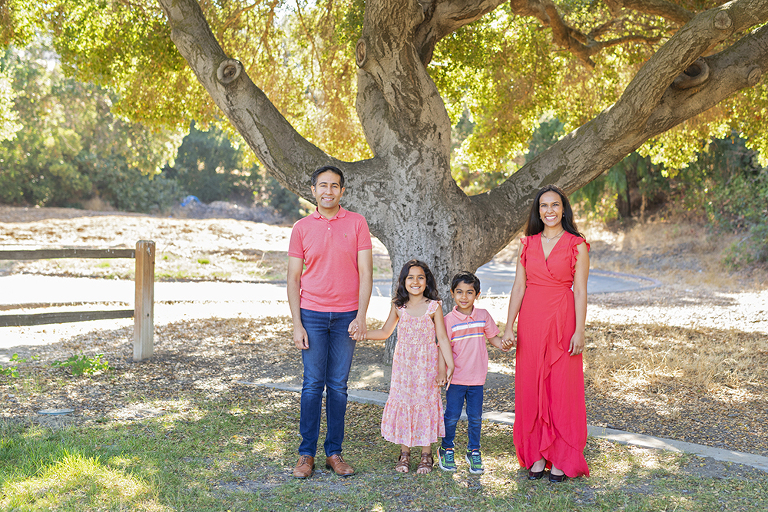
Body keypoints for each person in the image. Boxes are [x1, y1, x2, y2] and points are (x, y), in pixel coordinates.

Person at [287, 165, 373, 479]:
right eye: (322, 185)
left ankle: (333, 453)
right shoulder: (301, 227)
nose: (328, 191)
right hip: (311, 314)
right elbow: (293, 277)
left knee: (338, 387)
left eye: (334, 186)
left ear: (342, 191)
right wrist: (297, 323)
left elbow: (366, 272)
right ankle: (306, 455)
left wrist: (361, 316)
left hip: (346, 317)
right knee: (312, 386)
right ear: (313, 190)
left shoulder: (357, 223)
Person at [502, 184, 590, 482]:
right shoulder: (527, 244)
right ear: (537, 211)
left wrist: (579, 329)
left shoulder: (576, 243)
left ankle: (562, 458)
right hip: (532, 319)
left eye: (555, 205)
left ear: (564, 209)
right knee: (531, 386)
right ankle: (536, 455)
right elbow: (518, 286)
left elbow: (579, 290)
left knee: (561, 388)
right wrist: (508, 325)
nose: (549, 210)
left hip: (563, 318)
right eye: (544, 206)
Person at [365, 260, 455, 475]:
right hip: (404, 365)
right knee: (405, 401)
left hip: (427, 364)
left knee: (426, 402)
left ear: (427, 281)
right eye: (410, 277)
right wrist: (362, 334)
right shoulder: (399, 306)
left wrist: (448, 366)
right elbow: (385, 332)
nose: (415, 282)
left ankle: (426, 453)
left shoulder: (434, 306)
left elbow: (442, 337)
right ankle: (404, 453)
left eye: (420, 277)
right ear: (404, 281)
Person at [438, 271, 509, 475]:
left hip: (477, 379)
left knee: (475, 417)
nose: (464, 297)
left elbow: (494, 338)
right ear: (452, 293)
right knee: (451, 416)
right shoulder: (448, 320)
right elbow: (442, 347)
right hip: (456, 379)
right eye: (459, 292)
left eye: (469, 292)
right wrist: (442, 371)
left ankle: (474, 451)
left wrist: (505, 344)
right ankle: (447, 448)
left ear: (477, 295)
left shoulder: (483, 315)